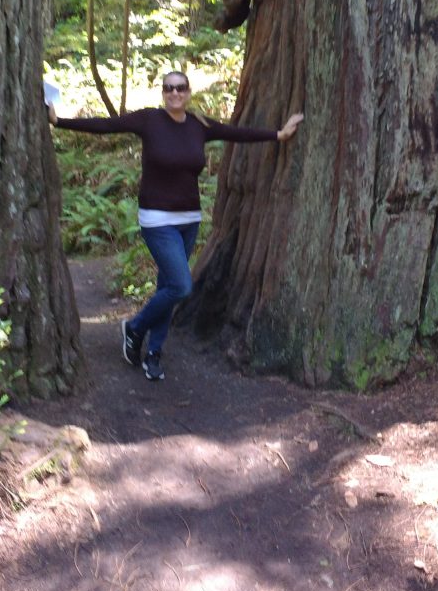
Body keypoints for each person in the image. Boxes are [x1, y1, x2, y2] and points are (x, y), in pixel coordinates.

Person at [48, 71, 303, 381]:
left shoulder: (200, 125)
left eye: (180, 88)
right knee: (181, 286)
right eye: (168, 89)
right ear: (162, 93)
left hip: (188, 219)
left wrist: (278, 134)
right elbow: (106, 126)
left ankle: (153, 353)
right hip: (156, 220)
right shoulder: (149, 121)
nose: (174, 93)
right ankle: (135, 326)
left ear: (188, 92)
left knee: (166, 286)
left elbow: (236, 133)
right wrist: (59, 121)